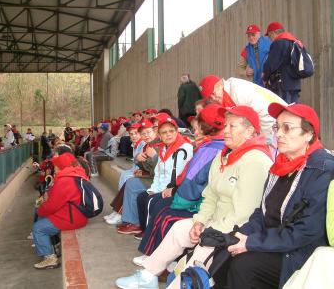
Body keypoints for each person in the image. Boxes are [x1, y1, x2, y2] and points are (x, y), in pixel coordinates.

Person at [115, 106, 273, 289]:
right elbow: (211, 195)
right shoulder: (225, 154)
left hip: (234, 231)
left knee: (201, 250)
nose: (226, 130)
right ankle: (148, 276)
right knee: (180, 228)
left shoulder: (255, 160)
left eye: (232, 126)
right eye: (226, 125)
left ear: (250, 130)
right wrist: (199, 222)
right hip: (215, 221)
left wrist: (208, 230)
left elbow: (244, 214)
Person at [225, 103, 334, 289]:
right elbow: (263, 212)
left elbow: (307, 231)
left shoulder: (322, 170)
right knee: (226, 250)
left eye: (287, 128)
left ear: (309, 134)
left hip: (301, 251)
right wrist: (242, 233)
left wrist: (252, 242)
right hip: (275, 243)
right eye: (277, 127)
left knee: (244, 266)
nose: (279, 134)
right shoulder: (280, 166)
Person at [136, 104, 225, 258]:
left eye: (198, 128)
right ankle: (153, 252)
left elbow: (192, 182)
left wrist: (176, 195)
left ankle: (157, 256)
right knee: (151, 200)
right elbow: (166, 174)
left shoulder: (201, 148)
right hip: (188, 195)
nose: (194, 132)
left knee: (162, 209)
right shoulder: (204, 147)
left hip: (196, 202)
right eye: (163, 132)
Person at [117, 117, 193, 236]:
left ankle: (142, 228)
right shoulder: (161, 147)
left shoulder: (180, 147)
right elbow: (157, 172)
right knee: (133, 185)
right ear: (160, 134)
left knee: (137, 188)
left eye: (171, 131)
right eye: (143, 133)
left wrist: (150, 160)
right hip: (159, 183)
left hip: (173, 187)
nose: (168, 135)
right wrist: (139, 162)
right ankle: (135, 223)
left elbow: (174, 176)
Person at [33, 152, 89, 269]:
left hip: (72, 218)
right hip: (76, 213)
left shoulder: (65, 180)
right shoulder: (75, 174)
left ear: (61, 167)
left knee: (38, 228)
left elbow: (52, 205)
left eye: (56, 165)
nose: (54, 168)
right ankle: (55, 245)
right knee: (43, 217)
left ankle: (50, 258)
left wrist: (40, 210)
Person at [199, 74, 286, 146]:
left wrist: (267, 142)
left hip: (277, 119)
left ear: (220, 84)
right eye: (210, 98)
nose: (214, 98)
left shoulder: (238, 91)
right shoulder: (227, 95)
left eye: (214, 93)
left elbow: (265, 114)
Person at [109, 119, 161, 226]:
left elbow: (158, 170)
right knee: (128, 179)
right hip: (152, 177)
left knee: (130, 181)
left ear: (155, 131)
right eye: (143, 133)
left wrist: (146, 161)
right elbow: (148, 167)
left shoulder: (157, 145)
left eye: (148, 132)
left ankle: (127, 218)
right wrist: (139, 161)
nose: (146, 135)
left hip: (159, 181)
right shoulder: (149, 145)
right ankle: (120, 212)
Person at [104, 122, 146, 224]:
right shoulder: (136, 144)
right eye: (131, 134)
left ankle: (121, 212)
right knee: (124, 174)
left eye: (136, 133)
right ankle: (117, 209)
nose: (133, 136)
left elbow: (143, 165)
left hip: (144, 175)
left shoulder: (143, 144)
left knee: (127, 178)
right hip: (137, 170)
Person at [262, 22, 305, 103]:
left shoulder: (279, 42)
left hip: (283, 85)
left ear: (273, 33)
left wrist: (265, 77)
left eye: (269, 36)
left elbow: (271, 64)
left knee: (284, 110)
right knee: (293, 110)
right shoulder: (293, 41)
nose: (270, 39)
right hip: (294, 84)